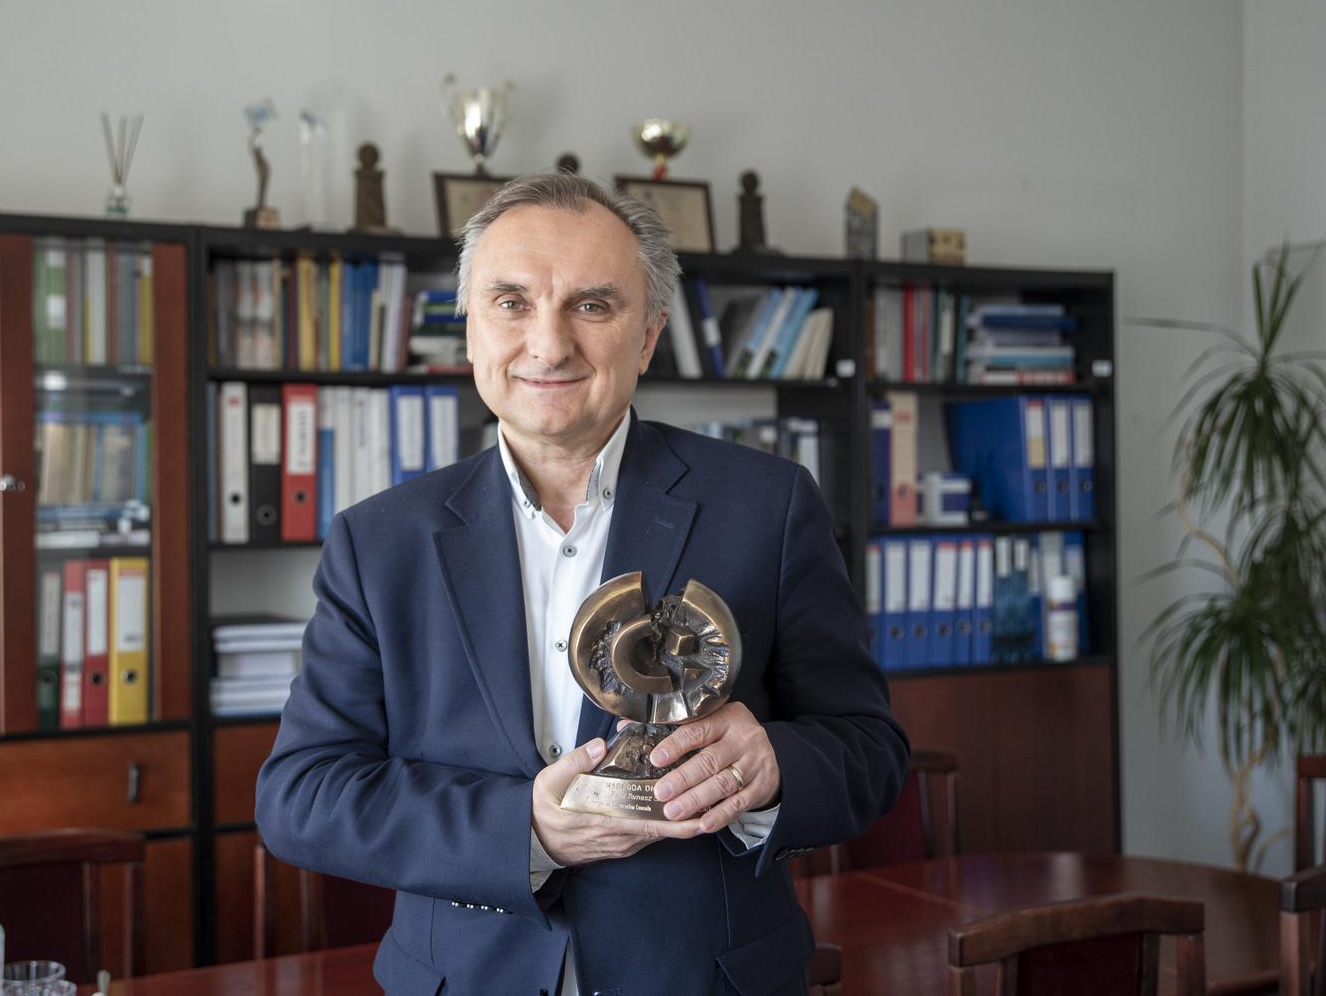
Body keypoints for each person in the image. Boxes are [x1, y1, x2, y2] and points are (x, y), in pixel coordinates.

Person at [255, 172, 909, 996]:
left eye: (592, 306)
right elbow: (302, 796)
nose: (549, 344)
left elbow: (870, 749)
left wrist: (773, 764)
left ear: (648, 336)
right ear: (470, 329)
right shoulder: (378, 541)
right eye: (511, 303)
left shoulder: (768, 506)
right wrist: (523, 830)